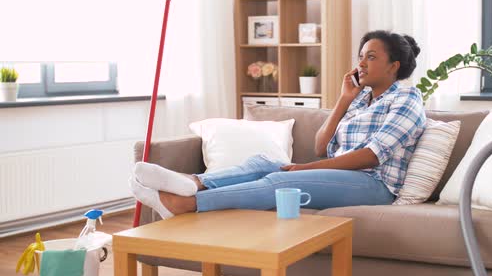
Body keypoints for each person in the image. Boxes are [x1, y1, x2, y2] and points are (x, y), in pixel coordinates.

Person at [130, 30, 427, 219]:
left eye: (371, 57)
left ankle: (187, 203)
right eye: (360, 56)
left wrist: (304, 168)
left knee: (283, 182)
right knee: (263, 163)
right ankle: (194, 182)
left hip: (376, 186)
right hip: (344, 173)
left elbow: (372, 156)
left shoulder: (406, 98)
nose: (361, 63)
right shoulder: (361, 101)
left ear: (394, 66)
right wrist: (343, 100)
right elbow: (321, 146)